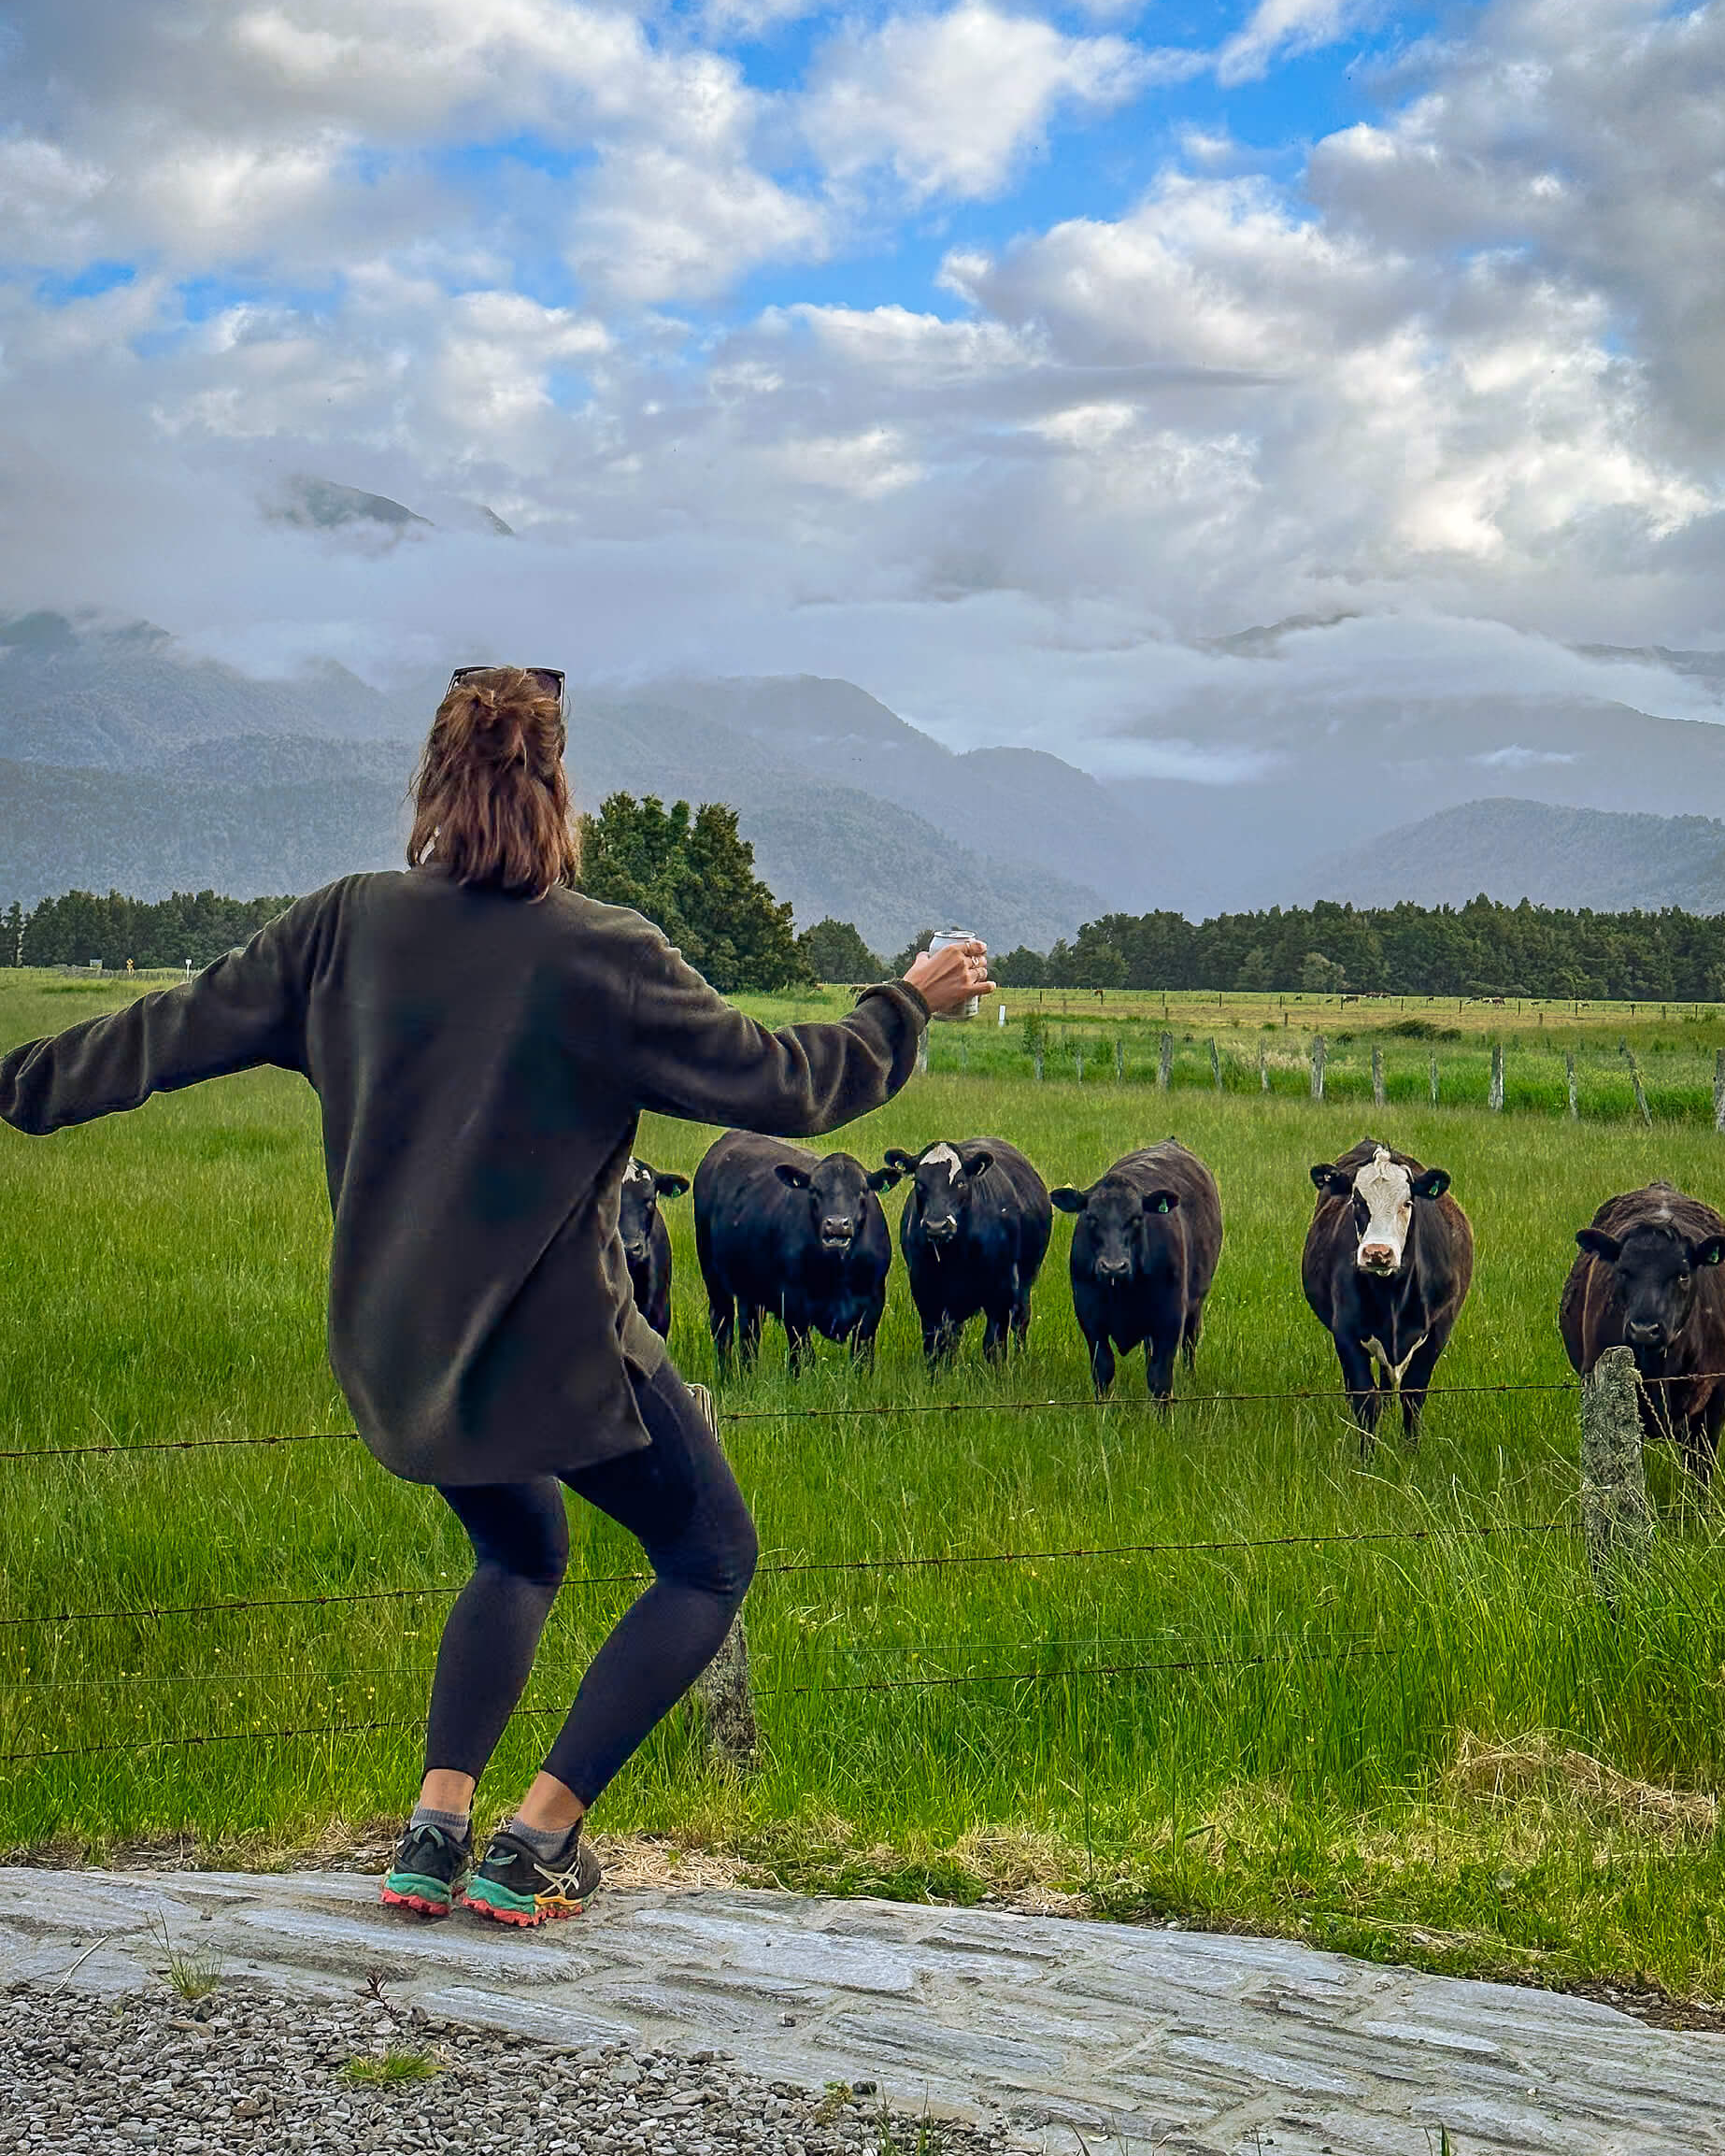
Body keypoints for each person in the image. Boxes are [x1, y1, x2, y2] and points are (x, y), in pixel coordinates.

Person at [0, 665, 991, 1928]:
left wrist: (13, 1085)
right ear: (560, 794)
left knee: (521, 1546)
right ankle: (535, 1843)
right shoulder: (603, 955)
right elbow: (789, 1086)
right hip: (557, 1357)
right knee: (707, 1559)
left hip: (400, 1358)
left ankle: (433, 1832)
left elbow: (155, 1034)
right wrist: (908, 1002)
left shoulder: (340, 927)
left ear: (429, 787)